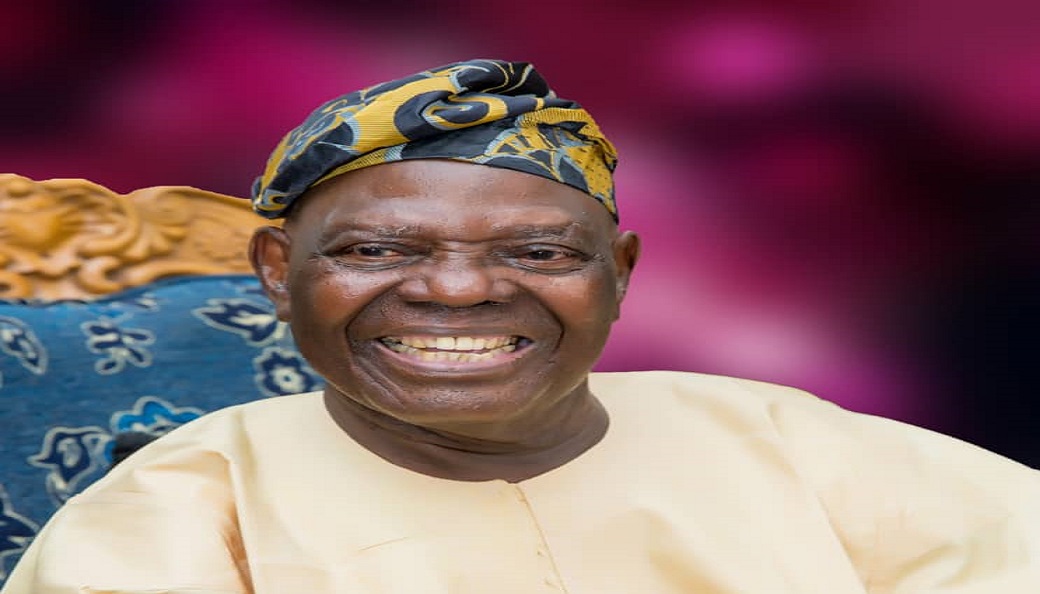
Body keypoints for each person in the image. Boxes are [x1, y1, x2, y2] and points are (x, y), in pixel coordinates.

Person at [4, 59, 1039, 593]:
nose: (458, 291)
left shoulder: (785, 440)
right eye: (378, 250)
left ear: (617, 275)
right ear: (279, 272)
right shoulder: (186, 506)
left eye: (538, 253)